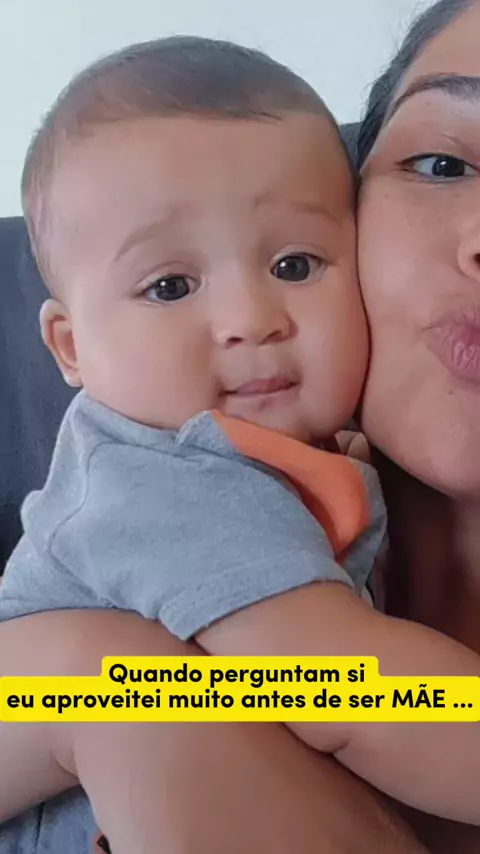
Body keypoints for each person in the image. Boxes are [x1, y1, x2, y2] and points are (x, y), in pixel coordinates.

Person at [1, 0, 479, 852]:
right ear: (69, 346)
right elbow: (346, 688)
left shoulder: (296, 466)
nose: (251, 320)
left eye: (294, 265)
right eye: (170, 287)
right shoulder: (163, 479)